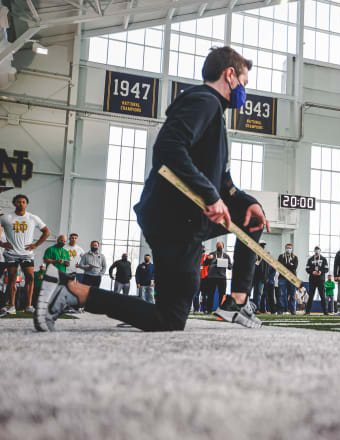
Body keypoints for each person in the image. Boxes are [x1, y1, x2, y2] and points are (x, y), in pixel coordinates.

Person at [35, 46, 269, 331]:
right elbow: (168, 149)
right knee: (170, 318)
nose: (244, 91)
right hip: (174, 219)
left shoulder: (212, 113)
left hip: (184, 218)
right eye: (244, 83)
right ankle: (72, 292)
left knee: (250, 215)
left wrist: (243, 200)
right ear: (230, 75)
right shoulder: (204, 102)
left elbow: (223, 182)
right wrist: (209, 196)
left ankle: (237, 301)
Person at [0, 194, 50, 314]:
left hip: (27, 254)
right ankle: (12, 306)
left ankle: (29, 306)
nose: (21, 204)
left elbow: (46, 232)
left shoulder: (33, 218)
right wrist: (2, 244)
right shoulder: (6, 218)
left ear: (26, 204)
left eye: (23, 202)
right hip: (11, 254)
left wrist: (36, 245)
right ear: (14, 204)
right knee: (11, 279)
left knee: (30, 278)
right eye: (18, 202)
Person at [203, 241, 233, 313]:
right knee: (210, 294)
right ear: (216, 247)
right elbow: (205, 264)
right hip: (212, 277)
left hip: (222, 277)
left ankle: (221, 310)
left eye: (221, 245)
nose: (219, 247)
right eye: (218, 245)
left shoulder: (226, 256)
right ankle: (209, 310)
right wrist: (208, 259)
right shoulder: (212, 254)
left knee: (222, 294)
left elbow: (230, 267)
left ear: (223, 247)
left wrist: (224, 264)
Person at [305, 246, 329, 315]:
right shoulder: (310, 259)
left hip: (321, 280)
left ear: (320, 251)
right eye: (316, 250)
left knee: (322, 296)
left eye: (318, 250)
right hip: (312, 280)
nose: (317, 251)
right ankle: (307, 312)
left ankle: (325, 312)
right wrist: (312, 272)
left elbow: (326, 269)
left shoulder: (324, 259)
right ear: (314, 251)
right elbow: (307, 268)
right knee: (311, 296)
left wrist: (321, 272)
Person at [277, 243, 298, 315]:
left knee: (292, 295)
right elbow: (279, 266)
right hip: (282, 277)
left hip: (292, 278)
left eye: (290, 248)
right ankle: (280, 310)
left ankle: (292, 310)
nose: (288, 249)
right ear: (285, 248)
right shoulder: (281, 257)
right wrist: (289, 265)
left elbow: (294, 267)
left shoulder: (295, 257)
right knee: (281, 294)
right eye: (287, 248)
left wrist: (286, 265)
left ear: (292, 249)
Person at [252, 241, 268, 313]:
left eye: (263, 246)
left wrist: (266, 277)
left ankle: (257, 308)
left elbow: (267, 267)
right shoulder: (253, 254)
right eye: (261, 245)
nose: (262, 247)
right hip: (253, 276)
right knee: (251, 293)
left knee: (258, 293)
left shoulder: (265, 256)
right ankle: (250, 308)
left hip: (261, 278)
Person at [194, 246, 208, 312]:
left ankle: (204, 309)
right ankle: (196, 309)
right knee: (196, 294)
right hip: (197, 277)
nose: (203, 251)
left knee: (204, 295)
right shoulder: (195, 257)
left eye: (204, 250)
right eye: (201, 250)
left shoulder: (207, 257)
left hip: (205, 278)